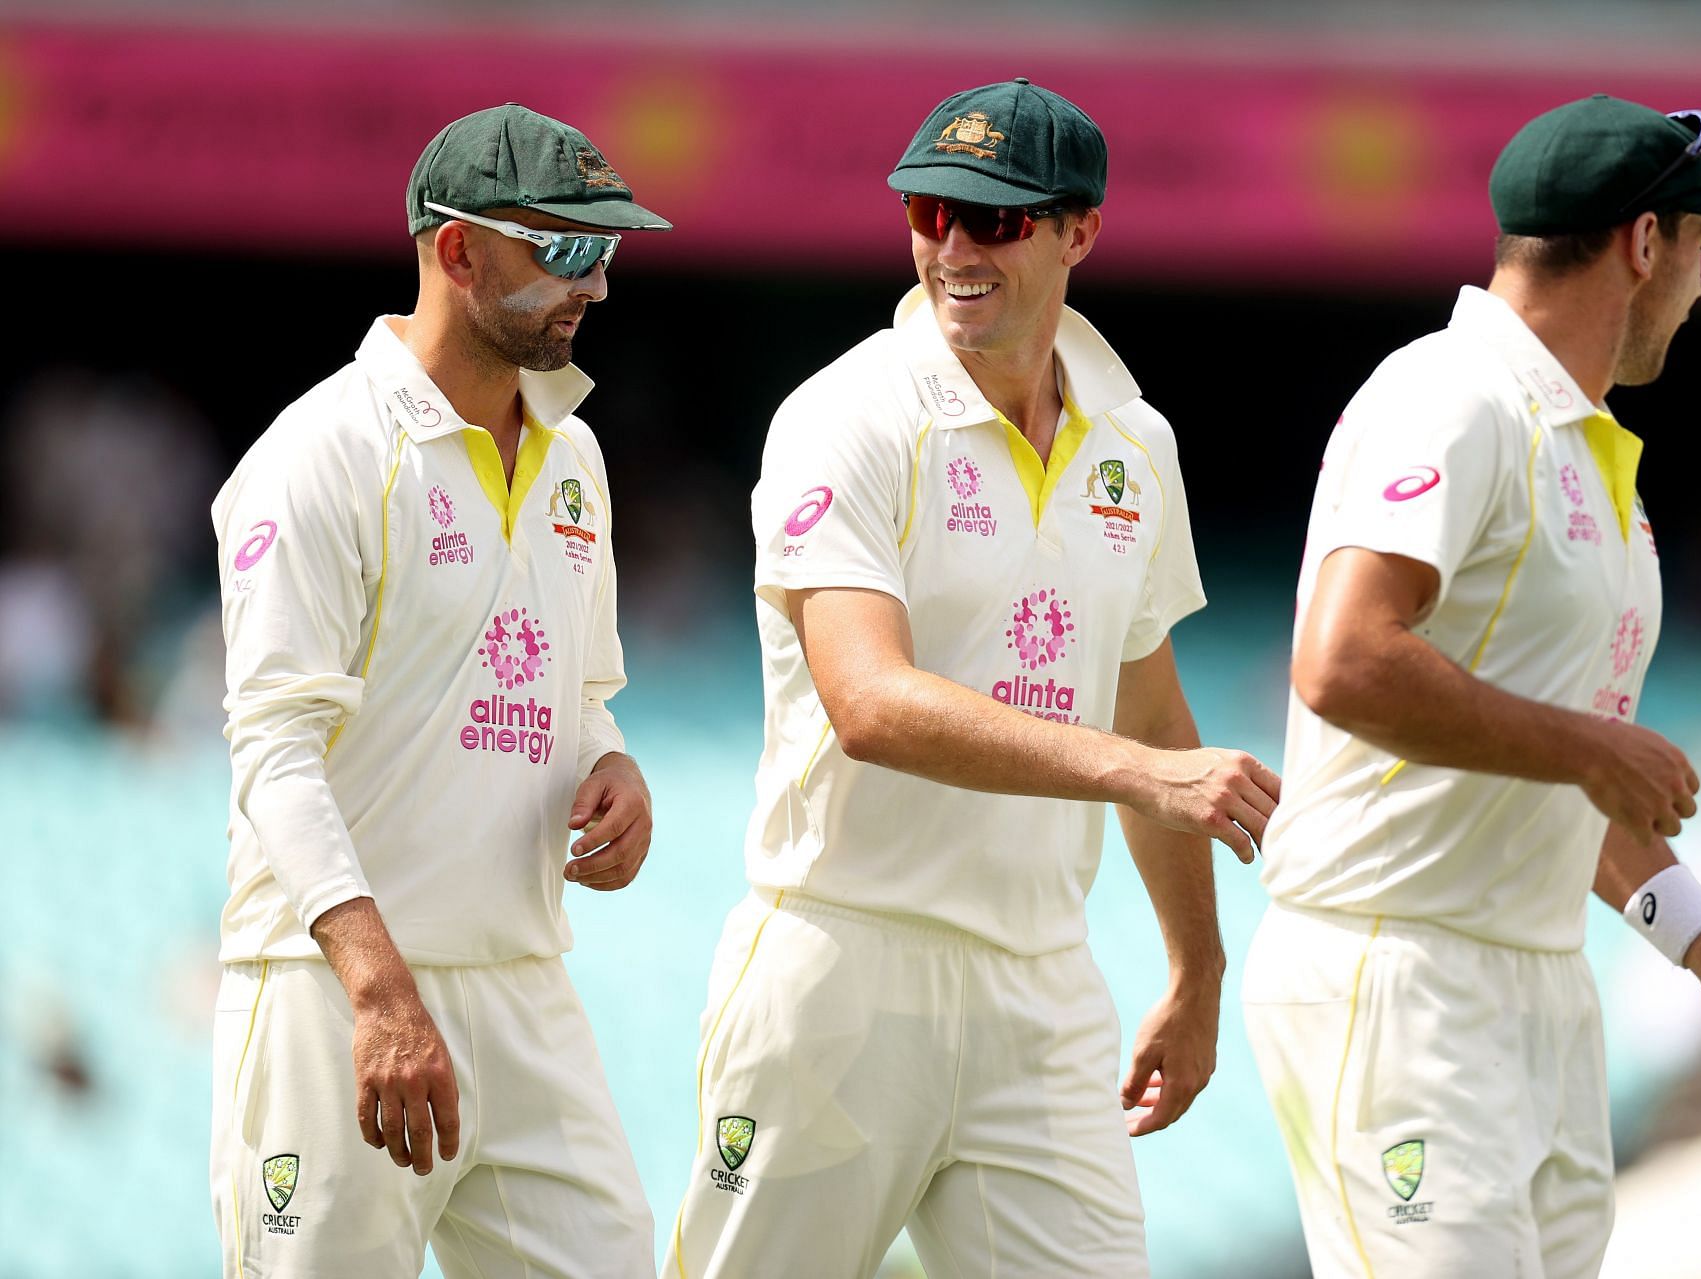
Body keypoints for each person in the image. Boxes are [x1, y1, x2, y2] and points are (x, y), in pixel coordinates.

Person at [661, 78, 1280, 1279]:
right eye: (930, 210)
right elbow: (870, 704)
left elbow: (1147, 702)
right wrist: (1135, 772)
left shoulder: (1135, 443)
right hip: (842, 967)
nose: (951, 246)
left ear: (1078, 231)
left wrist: (1197, 974)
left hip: (1041, 987)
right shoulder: (846, 414)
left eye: (993, 219)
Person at [1242, 94, 1701, 1279]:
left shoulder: (1592, 455)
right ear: (1643, 243)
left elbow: (1552, 770)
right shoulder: (1450, 393)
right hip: (1399, 971)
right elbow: (1344, 660)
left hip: (1537, 986)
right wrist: (1589, 747)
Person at [210, 103, 670, 1278]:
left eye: (606, 251)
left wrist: (609, 764)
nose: (598, 285)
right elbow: (272, 749)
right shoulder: (322, 454)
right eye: (565, 250)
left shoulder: (575, 455)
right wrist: (379, 989)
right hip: (338, 997)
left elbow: (581, 692)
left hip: (522, 986)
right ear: (457, 250)